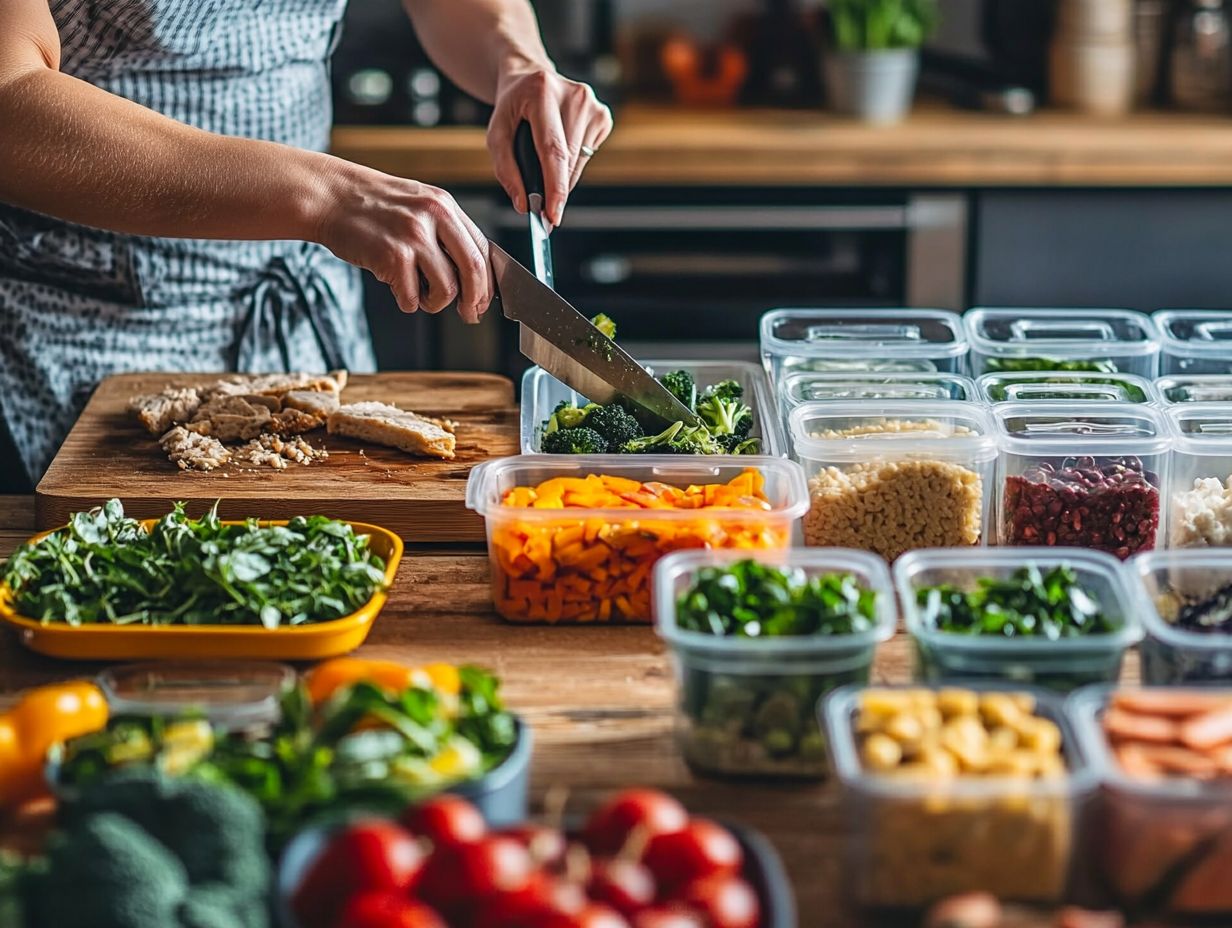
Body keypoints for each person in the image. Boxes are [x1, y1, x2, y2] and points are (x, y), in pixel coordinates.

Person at [0, 0, 613, 489]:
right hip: (83, 331)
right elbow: (10, 97)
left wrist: (517, 59)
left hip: (301, 302)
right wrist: (325, 197)